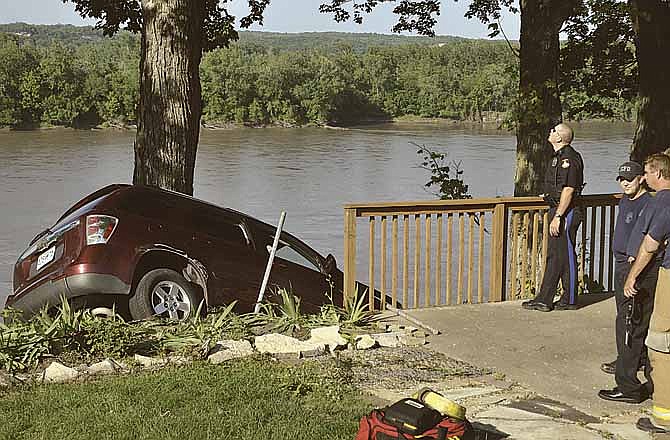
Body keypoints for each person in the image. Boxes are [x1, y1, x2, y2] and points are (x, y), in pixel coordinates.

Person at [598, 161, 658, 404]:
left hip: (635, 267)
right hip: (621, 264)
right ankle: (630, 360)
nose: (624, 183)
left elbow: (648, 239)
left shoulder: (649, 204)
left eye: (629, 179)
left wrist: (634, 269)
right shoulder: (625, 200)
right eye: (621, 179)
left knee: (628, 323)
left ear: (641, 178)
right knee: (624, 318)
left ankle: (628, 385)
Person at [621, 153, 670, 433]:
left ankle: (663, 418)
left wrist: (632, 276)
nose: (645, 179)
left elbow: (650, 244)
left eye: (648, 173)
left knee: (660, 344)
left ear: (659, 174)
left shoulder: (664, 201)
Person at [522, 123, 584, 312]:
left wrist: (558, 215)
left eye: (553, 131)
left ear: (560, 137)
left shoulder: (569, 158)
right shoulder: (557, 157)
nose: (550, 132)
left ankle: (563, 299)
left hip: (566, 211)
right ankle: (549, 298)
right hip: (557, 208)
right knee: (558, 255)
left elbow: (568, 189)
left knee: (564, 255)